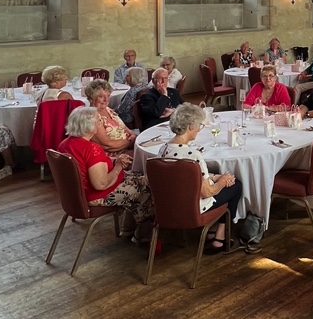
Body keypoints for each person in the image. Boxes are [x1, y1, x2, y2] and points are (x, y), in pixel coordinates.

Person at [158, 103, 243, 251]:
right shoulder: (192, 155)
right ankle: (220, 237)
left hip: (168, 205)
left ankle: (212, 230)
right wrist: (222, 181)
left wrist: (214, 177)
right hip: (192, 208)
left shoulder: (163, 149)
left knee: (223, 182)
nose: (199, 130)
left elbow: (183, 175)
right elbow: (207, 192)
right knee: (236, 186)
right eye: (199, 126)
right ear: (190, 126)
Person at [58, 106, 153, 235]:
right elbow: (101, 184)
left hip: (76, 196)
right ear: (88, 126)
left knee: (138, 176)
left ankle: (130, 228)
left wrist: (115, 160)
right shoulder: (91, 149)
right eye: (98, 121)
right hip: (96, 197)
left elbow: (88, 166)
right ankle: (144, 233)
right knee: (149, 184)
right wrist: (119, 165)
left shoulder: (64, 144)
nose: (101, 123)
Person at [84, 79, 135, 151]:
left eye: (108, 96)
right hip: (114, 156)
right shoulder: (92, 117)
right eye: (101, 96)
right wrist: (130, 142)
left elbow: (126, 129)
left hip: (127, 147)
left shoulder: (108, 110)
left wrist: (133, 135)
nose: (106, 100)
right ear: (91, 99)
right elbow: (107, 145)